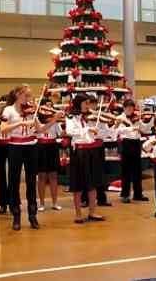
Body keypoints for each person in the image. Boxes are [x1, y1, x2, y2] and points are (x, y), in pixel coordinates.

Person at [1, 85, 62, 231]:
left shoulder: (31, 111)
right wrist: (21, 122)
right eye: (26, 96)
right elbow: (3, 129)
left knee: (31, 180)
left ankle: (32, 215)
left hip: (31, 146)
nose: (29, 99)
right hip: (15, 146)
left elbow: (40, 129)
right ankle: (16, 215)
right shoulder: (8, 110)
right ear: (17, 94)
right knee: (14, 180)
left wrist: (54, 119)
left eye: (29, 96)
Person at [65, 94, 106, 223]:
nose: (88, 106)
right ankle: (78, 214)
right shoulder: (71, 117)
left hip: (92, 150)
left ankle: (92, 212)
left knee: (92, 183)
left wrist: (104, 128)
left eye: (88, 103)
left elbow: (102, 132)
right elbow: (70, 131)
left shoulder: (91, 117)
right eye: (85, 103)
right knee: (78, 185)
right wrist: (88, 129)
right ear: (79, 103)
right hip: (79, 152)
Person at [116, 99, 151, 203]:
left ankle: (138, 194)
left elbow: (144, 129)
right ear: (124, 108)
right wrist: (130, 129)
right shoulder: (120, 118)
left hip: (136, 143)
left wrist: (150, 120)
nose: (130, 110)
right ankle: (125, 195)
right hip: (126, 143)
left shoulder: (137, 118)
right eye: (128, 108)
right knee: (126, 171)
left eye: (132, 108)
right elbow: (116, 131)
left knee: (137, 170)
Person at [36, 98, 64, 212]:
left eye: (51, 106)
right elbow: (41, 130)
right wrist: (55, 119)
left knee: (53, 175)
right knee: (41, 176)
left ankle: (55, 202)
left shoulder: (55, 120)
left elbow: (60, 133)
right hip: (40, 147)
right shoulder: (36, 118)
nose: (49, 109)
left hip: (52, 146)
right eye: (46, 106)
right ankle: (41, 203)